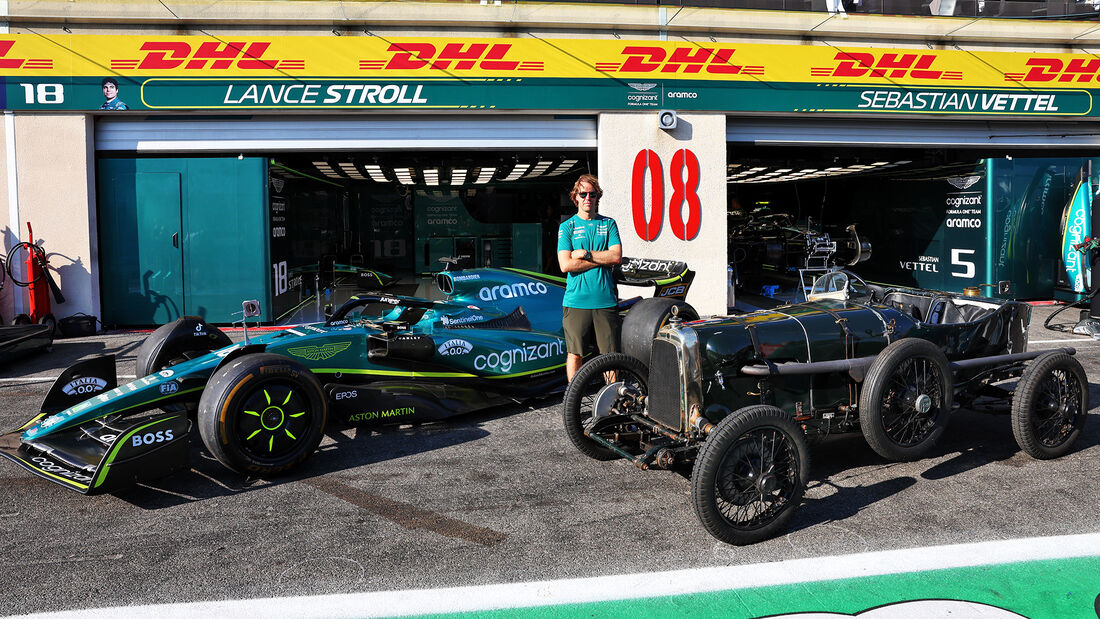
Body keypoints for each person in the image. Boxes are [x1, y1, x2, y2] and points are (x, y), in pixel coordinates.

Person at [557, 174, 622, 382]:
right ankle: (573, 403)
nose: (587, 198)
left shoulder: (609, 224)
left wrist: (585, 254)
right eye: (583, 194)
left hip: (605, 300)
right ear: (575, 196)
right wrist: (602, 258)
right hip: (576, 301)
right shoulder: (567, 227)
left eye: (592, 194)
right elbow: (565, 264)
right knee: (575, 354)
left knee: (609, 357)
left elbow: (616, 256)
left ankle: (613, 403)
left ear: (597, 197)